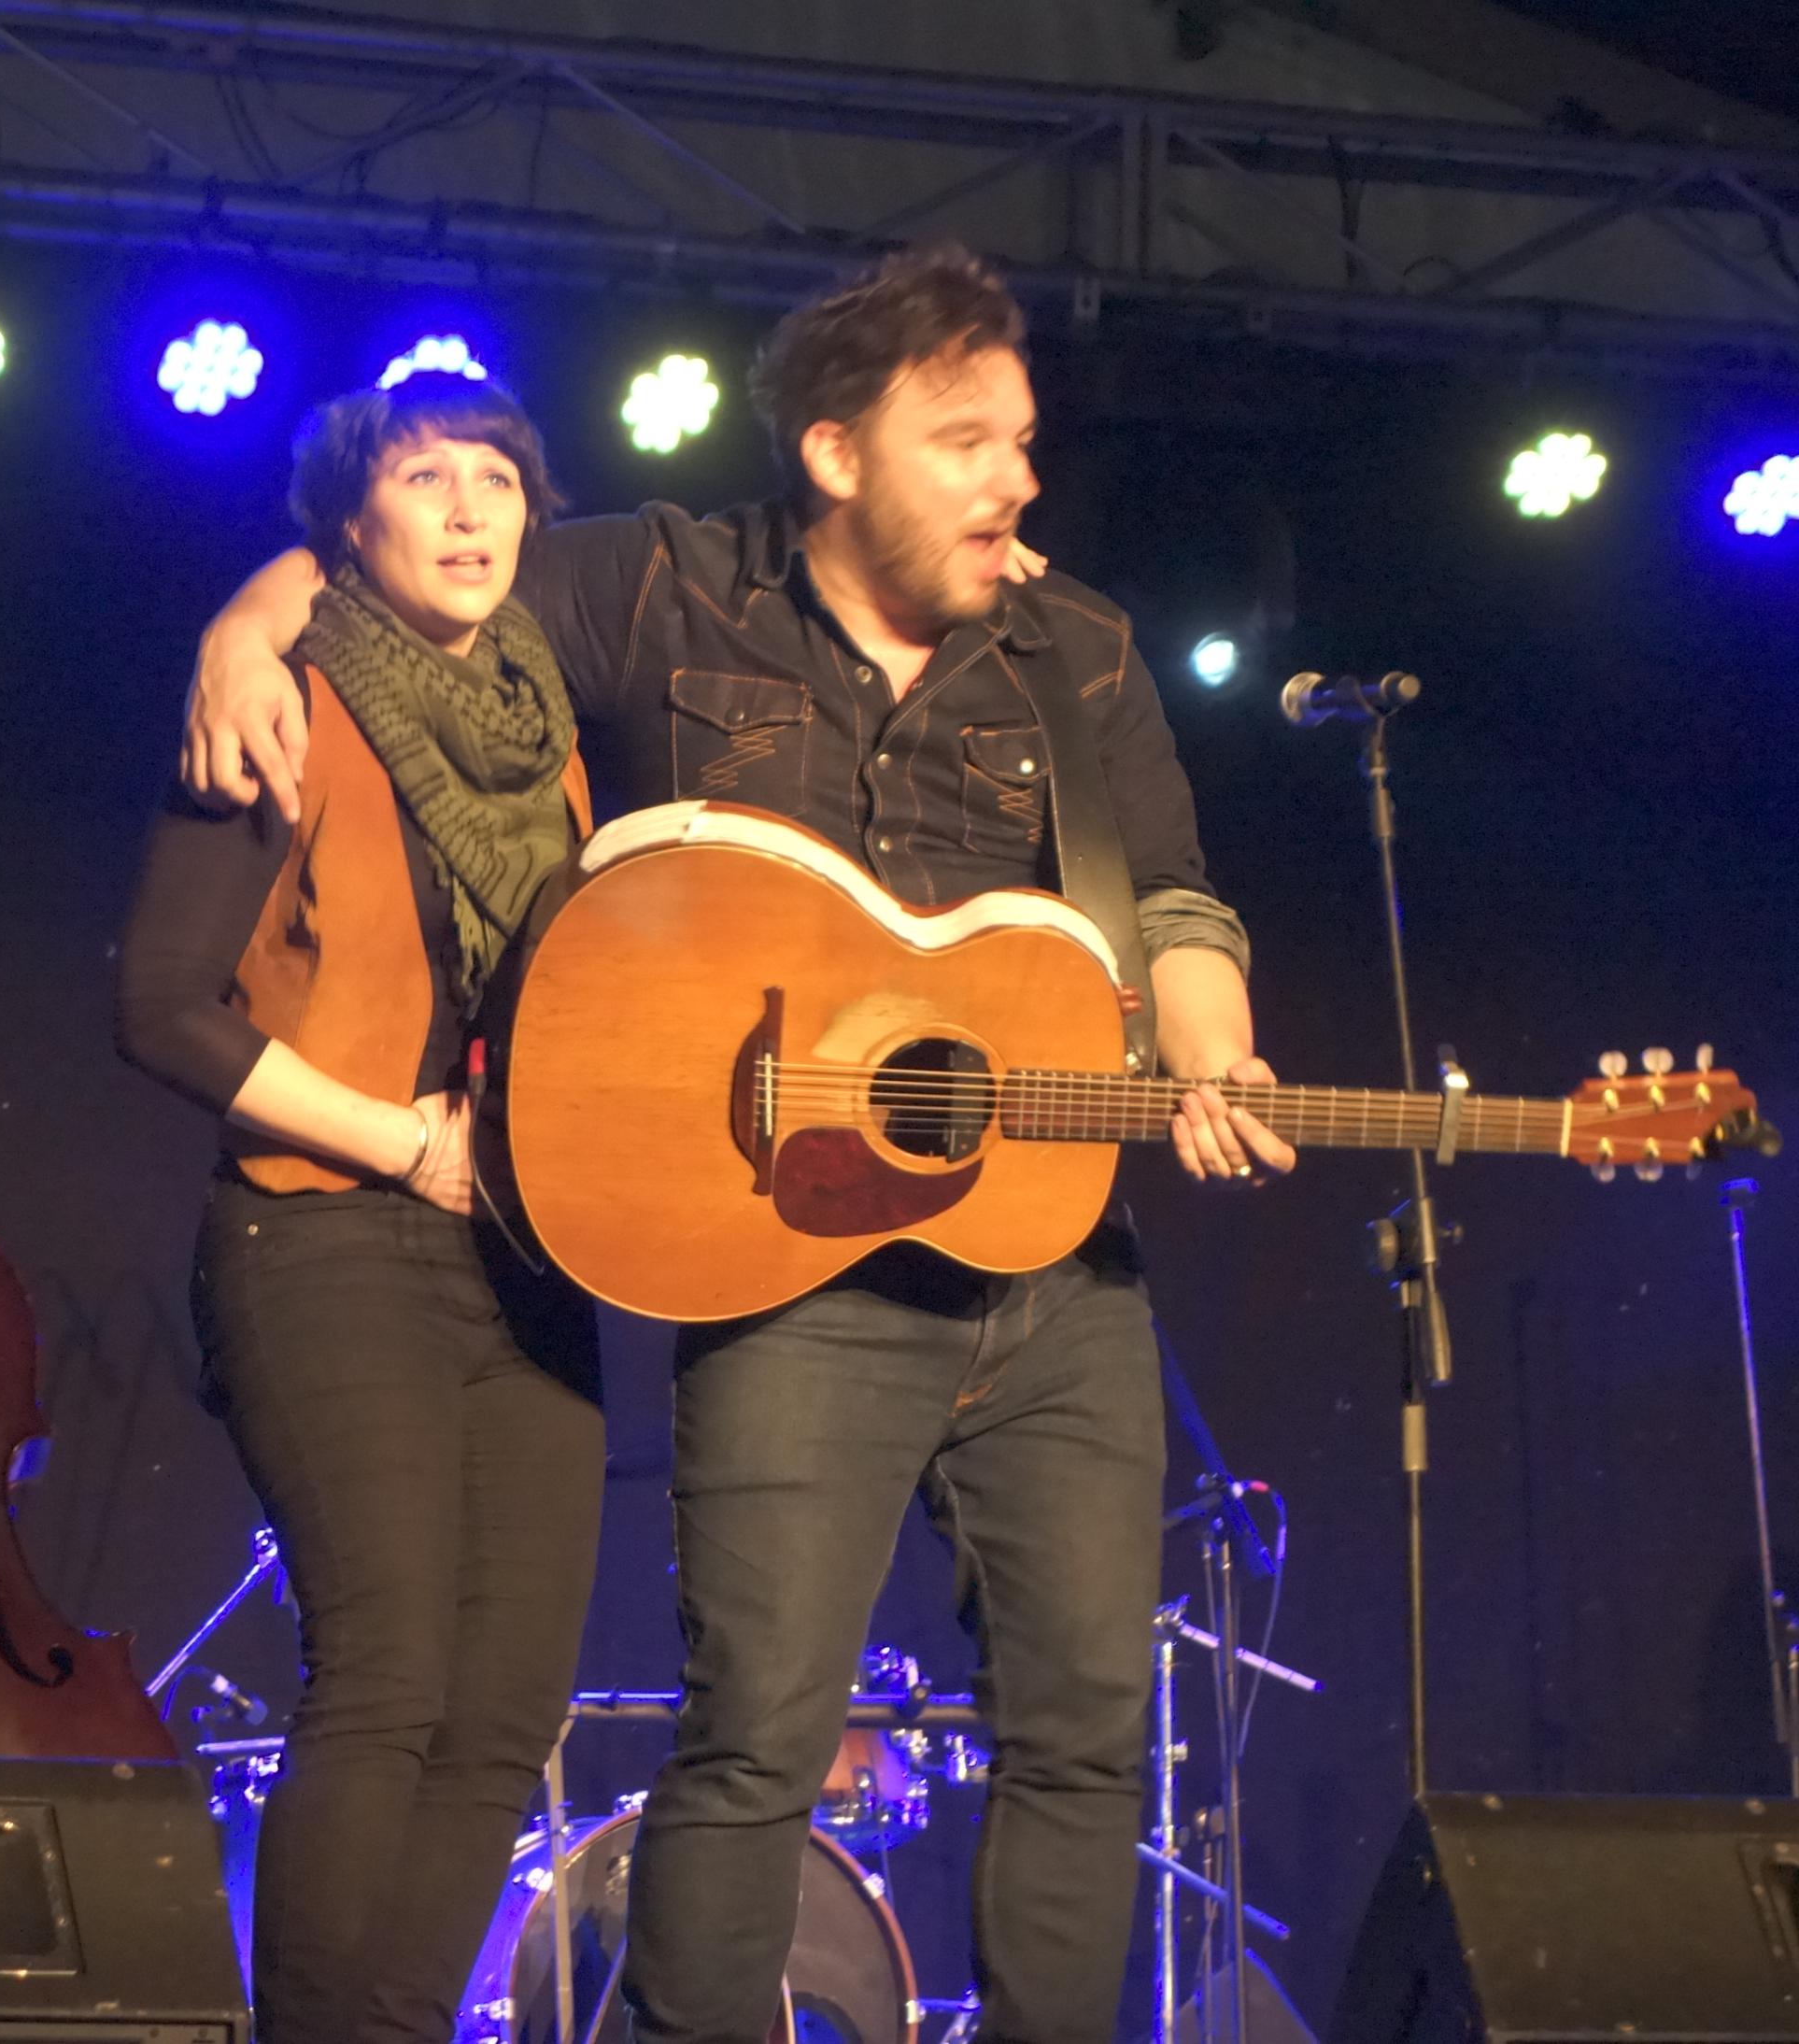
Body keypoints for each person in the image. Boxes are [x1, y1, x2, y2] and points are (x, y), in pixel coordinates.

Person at [177, 248, 1297, 2044]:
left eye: (1020, 440)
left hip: (1050, 1262)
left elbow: (1169, 896)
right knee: (758, 1732)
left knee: (1085, 1727)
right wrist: (249, 619)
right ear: (835, 453)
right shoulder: (669, 586)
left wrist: (1210, 1041)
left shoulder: (1075, 645)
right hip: (794, 1263)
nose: (1013, 479)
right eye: (963, 442)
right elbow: (410, 566)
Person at [116, 376, 606, 2044]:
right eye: (423, 477)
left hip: (523, 1254)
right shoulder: (285, 699)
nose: (467, 510)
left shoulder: (551, 735)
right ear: (346, 523)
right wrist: (399, 1143)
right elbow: (159, 1006)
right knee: (388, 1672)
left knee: (506, 1709)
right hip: (322, 1229)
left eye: (496, 479)